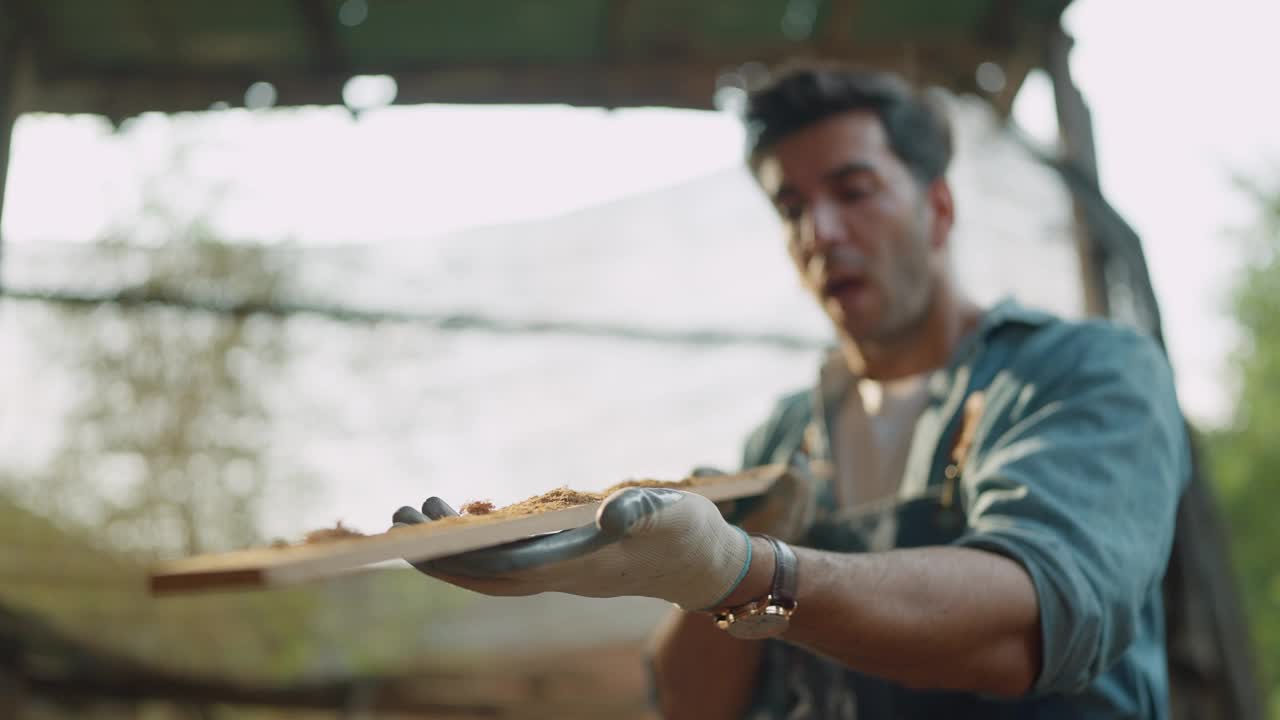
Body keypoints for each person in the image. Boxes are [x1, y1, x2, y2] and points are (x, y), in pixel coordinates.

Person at [393, 64, 1189, 719]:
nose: (822, 233)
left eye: (854, 190)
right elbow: (694, 706)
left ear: (938, 207)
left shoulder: (1084, 373)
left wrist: (742, 569)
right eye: (792, 206)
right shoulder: (786, 442)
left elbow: (1023, 630)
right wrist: (667, 574)